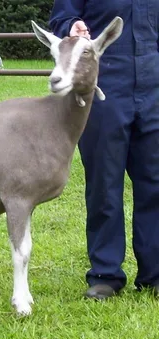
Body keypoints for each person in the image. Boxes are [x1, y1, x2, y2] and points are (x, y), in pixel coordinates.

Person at [49, 1, 159, 299]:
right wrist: (71, 26)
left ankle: (155, 275)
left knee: (155, 184)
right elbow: (62, 16)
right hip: (104, 83)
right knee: (104, 184)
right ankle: (106, 275)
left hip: (154, 85)